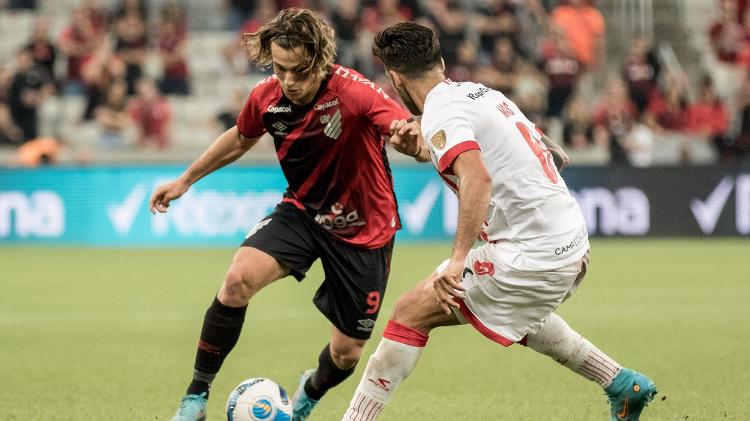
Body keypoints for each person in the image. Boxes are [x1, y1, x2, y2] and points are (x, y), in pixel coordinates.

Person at [341, 22, 657, 421]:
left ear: (394, 78)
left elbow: (476, 176)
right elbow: (487, 140)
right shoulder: (478, 92)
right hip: (569, 243)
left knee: (410, 312)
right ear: (439, 62)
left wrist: (458, 259)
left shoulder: (441, 112)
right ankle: (622, 383)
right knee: (513, 310)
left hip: (534, 254)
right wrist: (419, 147)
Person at [150, 8, 411, 421]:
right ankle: (195, 398)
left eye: (298, 70)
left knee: (346, 354)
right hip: (303, 213)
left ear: (320, 59)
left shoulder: (354, 92)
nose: (288, 80)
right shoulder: (267, 96)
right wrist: (185, 180)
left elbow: (402, 127)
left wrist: (407, 134)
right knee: (237, 280)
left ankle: (310, 390)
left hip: (365, 231)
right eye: (279, 68)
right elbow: (240, 138)